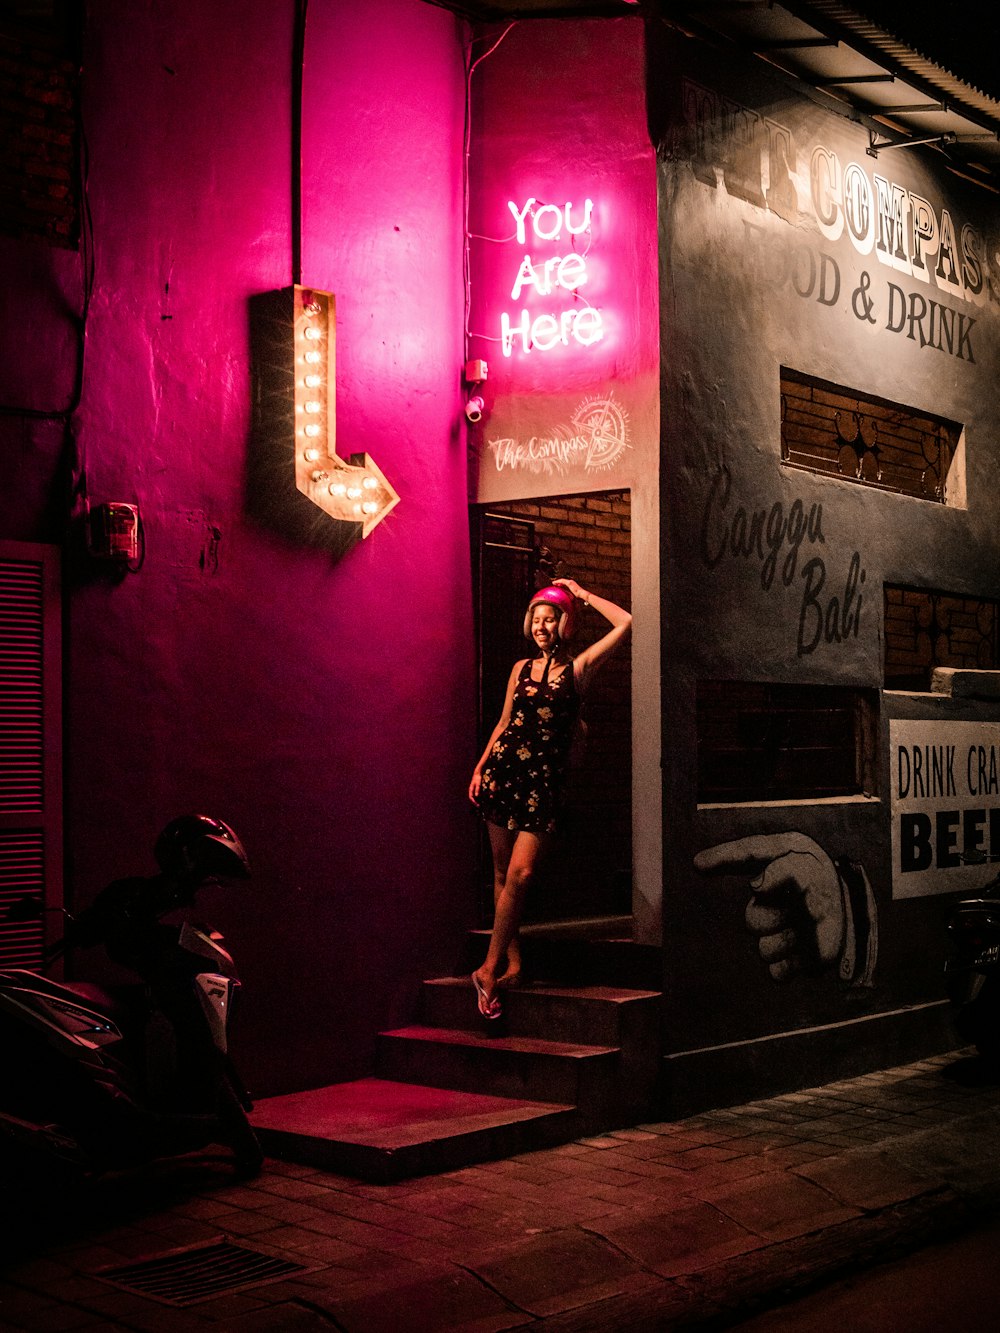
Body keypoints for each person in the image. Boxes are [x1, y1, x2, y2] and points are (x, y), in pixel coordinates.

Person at [468, 577, 632, 1018]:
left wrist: (581, 595)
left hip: (543, 781)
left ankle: (486, 969)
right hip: (504, 773)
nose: (541, 627)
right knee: (503, 875)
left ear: (564, 623)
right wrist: (482, 766)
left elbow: (625, 623)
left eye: (549, 619)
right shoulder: (520, 669)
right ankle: (513, 963)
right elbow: (505, 722)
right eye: (535, 620)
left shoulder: (577, 669)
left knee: (521, 874)